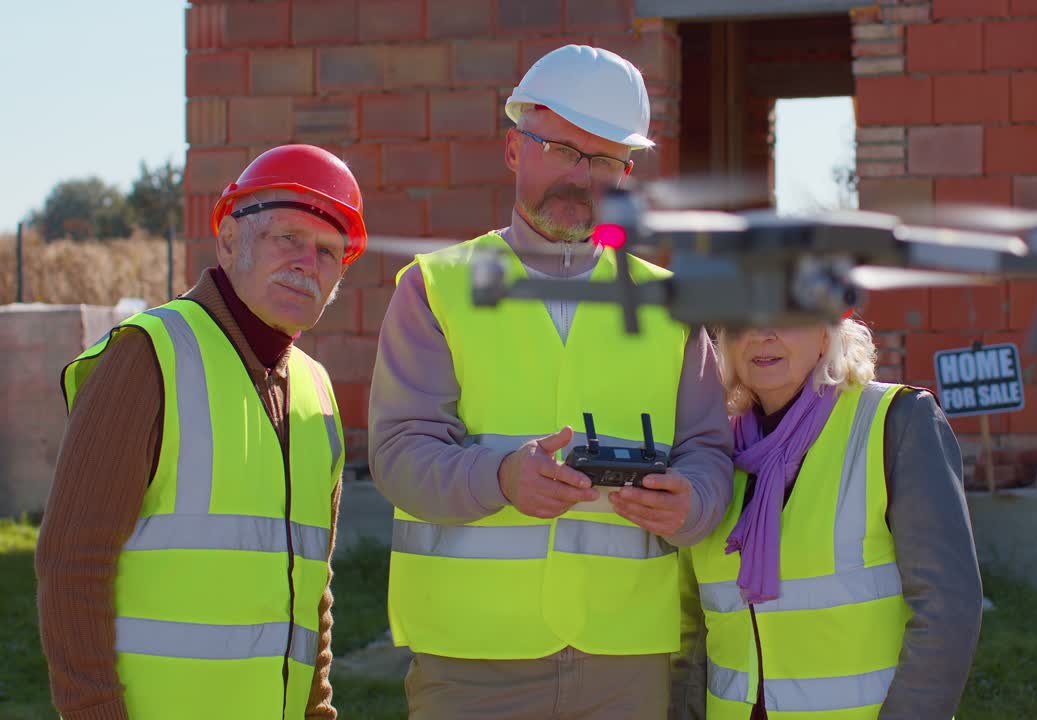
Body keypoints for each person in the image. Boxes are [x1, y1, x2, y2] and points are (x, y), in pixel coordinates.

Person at [368, 44, 734, 719]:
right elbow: (398, 455)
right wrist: (502, 477)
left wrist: (694, 502)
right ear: (515, 149)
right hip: (472, 660)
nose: (582, 178)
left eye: (605, 161)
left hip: (626, 658)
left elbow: (709, 452)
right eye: (563, 150)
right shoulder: (436, 289)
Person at [36, 144, 367, 720]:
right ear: (229, 240)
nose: (306, 263)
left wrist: (317, 711)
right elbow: (72, 562)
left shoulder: (316, 391)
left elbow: (312, 592)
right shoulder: (148, 356)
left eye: (327, 251)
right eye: (288, 237)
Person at [671, 320, 984, 720]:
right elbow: (691, 632)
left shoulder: (896, 421)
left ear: (827, 330)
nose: (762, 333)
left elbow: (946, 608)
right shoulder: (710, 457)